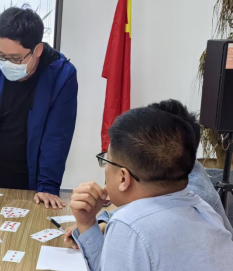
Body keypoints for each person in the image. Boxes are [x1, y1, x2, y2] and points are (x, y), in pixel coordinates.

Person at [69, 107, 233, 271]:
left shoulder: (130, 224)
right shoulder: (203, 209)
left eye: (106, 162)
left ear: (123, 178)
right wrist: (87, 224)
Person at [64, 99, 233, 249]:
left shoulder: (190, 199)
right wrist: (101, 224)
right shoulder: (176, 177)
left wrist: (89, 228)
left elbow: (110, 270)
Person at [0, 6, 78, 209]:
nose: (6, 63)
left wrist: (48, 185)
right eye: (1, 55)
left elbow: (57, 136)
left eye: (15, 58)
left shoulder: (61, 76)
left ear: (37, 50)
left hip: (32, 182)